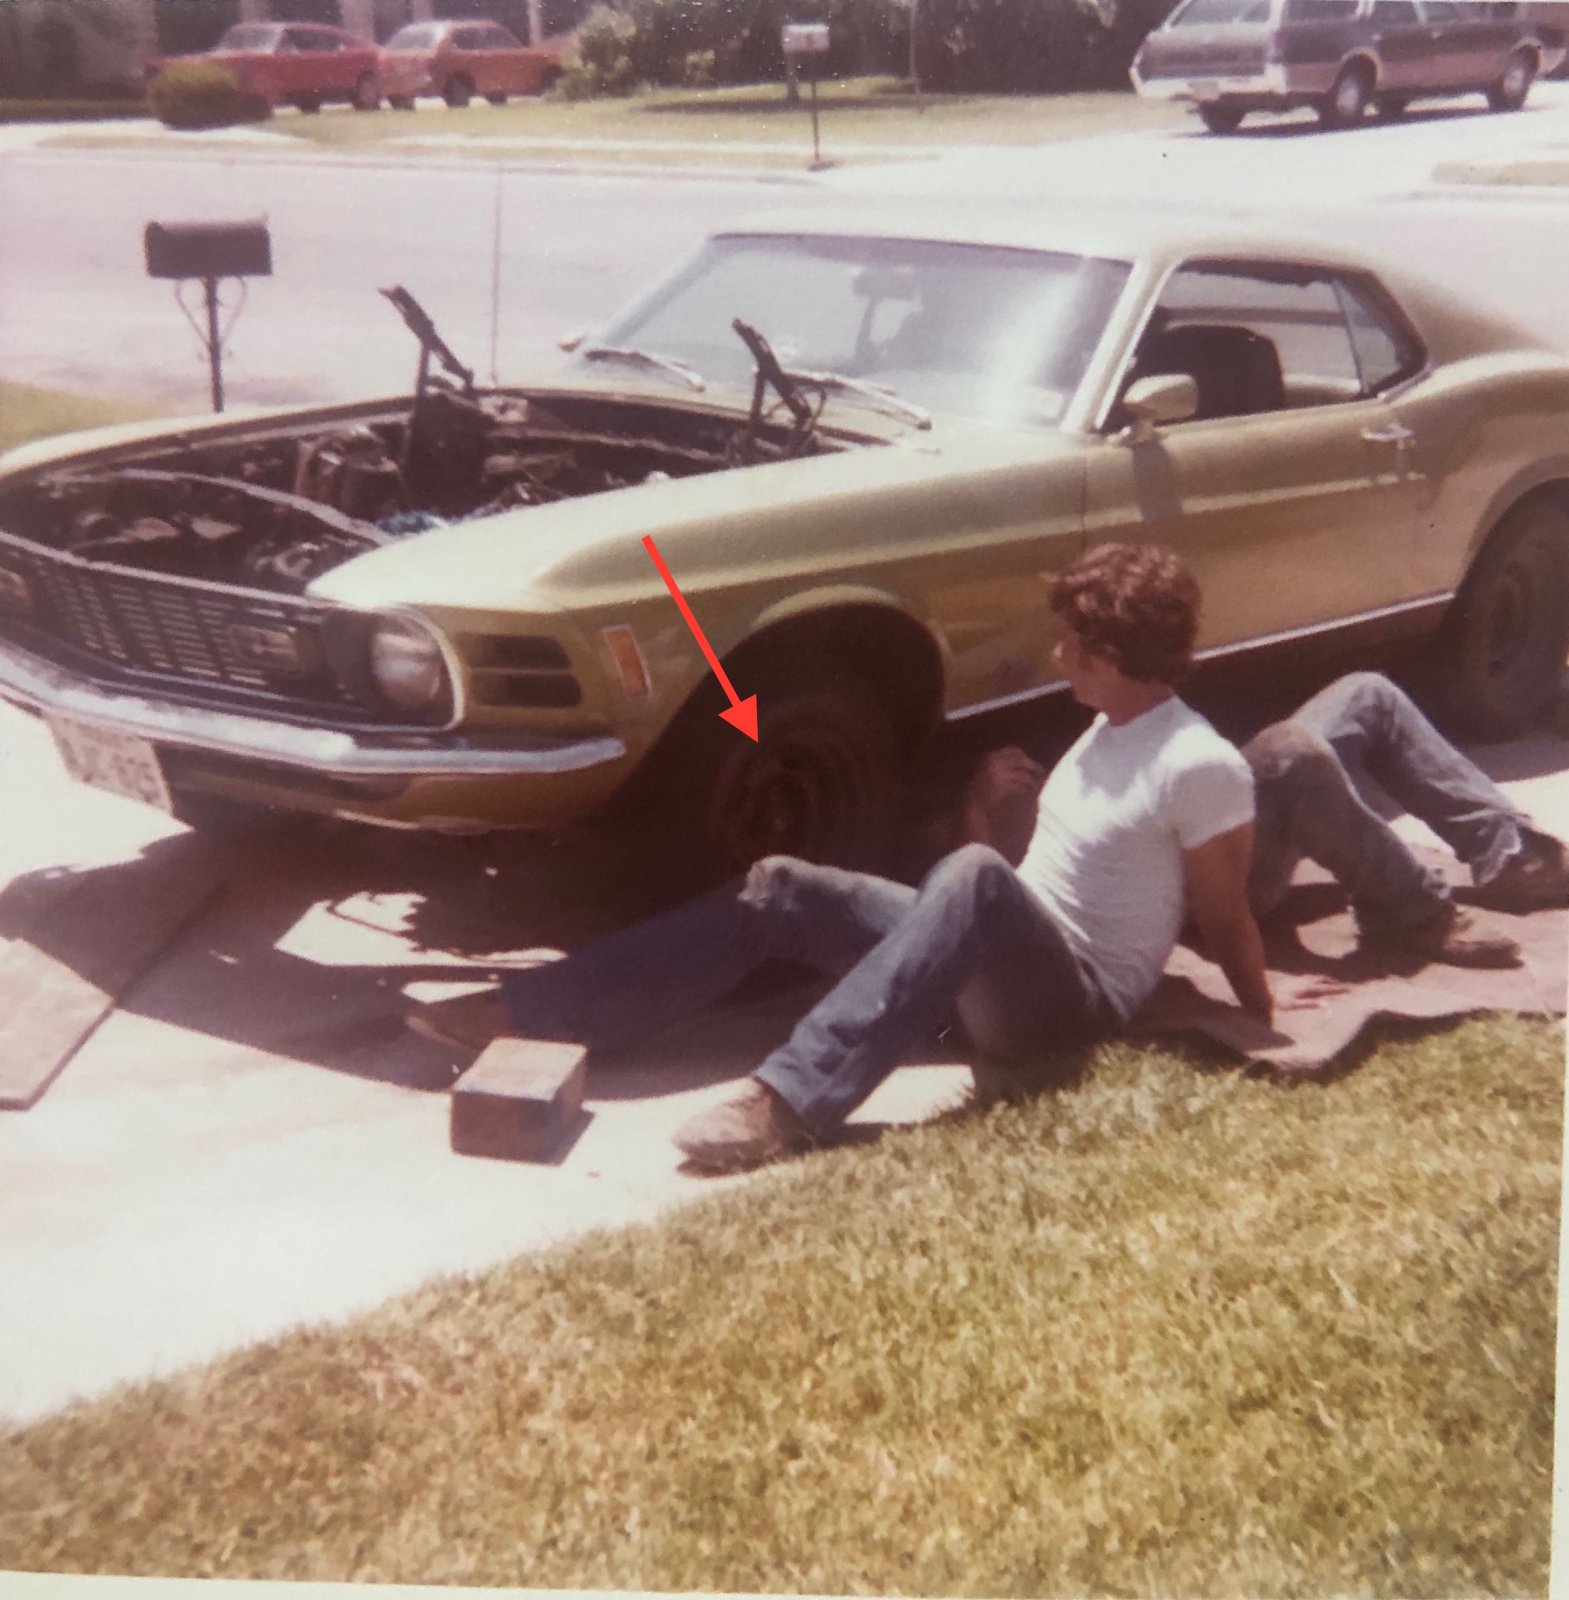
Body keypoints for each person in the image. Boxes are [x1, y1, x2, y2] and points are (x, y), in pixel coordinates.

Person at [408, 543, 1566, 1170]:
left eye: (1069, 637)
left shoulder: (1198, 762)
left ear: (1109, 651)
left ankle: (786, 1103)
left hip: (1074, 1001)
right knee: (781, 885)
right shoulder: (1111, 730)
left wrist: (1262, 1000)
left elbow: (1219, 911)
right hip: (1017, 948)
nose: (1055, 649)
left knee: (966, 883)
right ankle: (534, 1008)